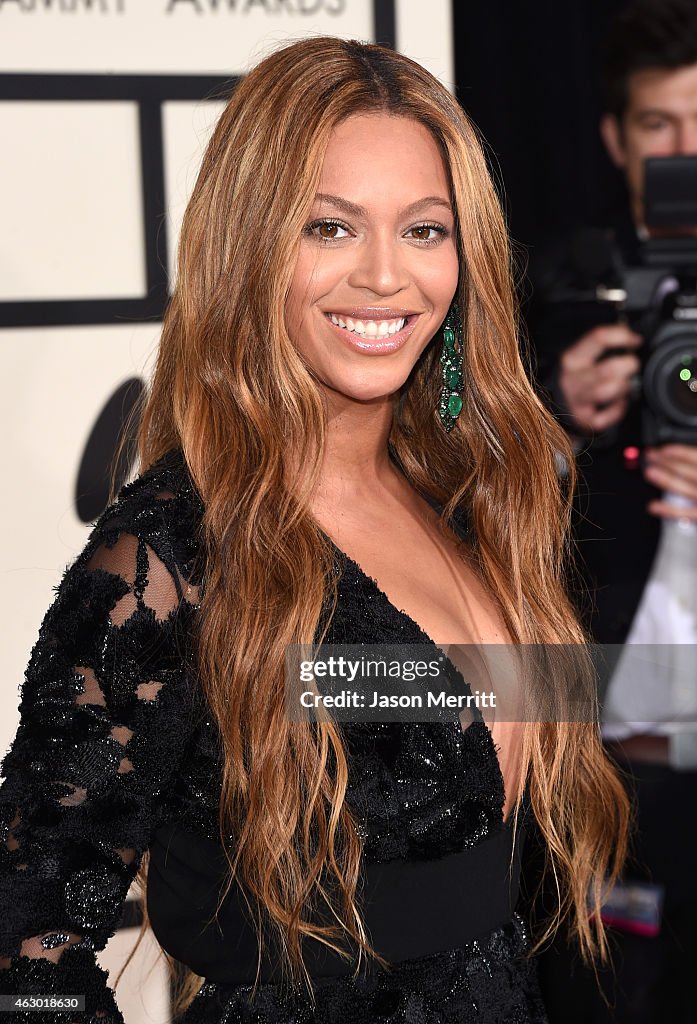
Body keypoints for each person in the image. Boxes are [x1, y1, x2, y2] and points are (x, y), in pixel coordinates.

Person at [0, 36, 628, 1024]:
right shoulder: (168, 558)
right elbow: (28, 938)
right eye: (330, 228)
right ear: (251, 245)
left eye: (425, 230)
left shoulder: (464, 496)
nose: (386, 276)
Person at [527, 1, 697, 1020]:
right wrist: (552, 413)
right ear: (613, 138)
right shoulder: (555, 284)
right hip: (612, 753)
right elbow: (435, 459)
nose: (689, 150)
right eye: (660, 126)